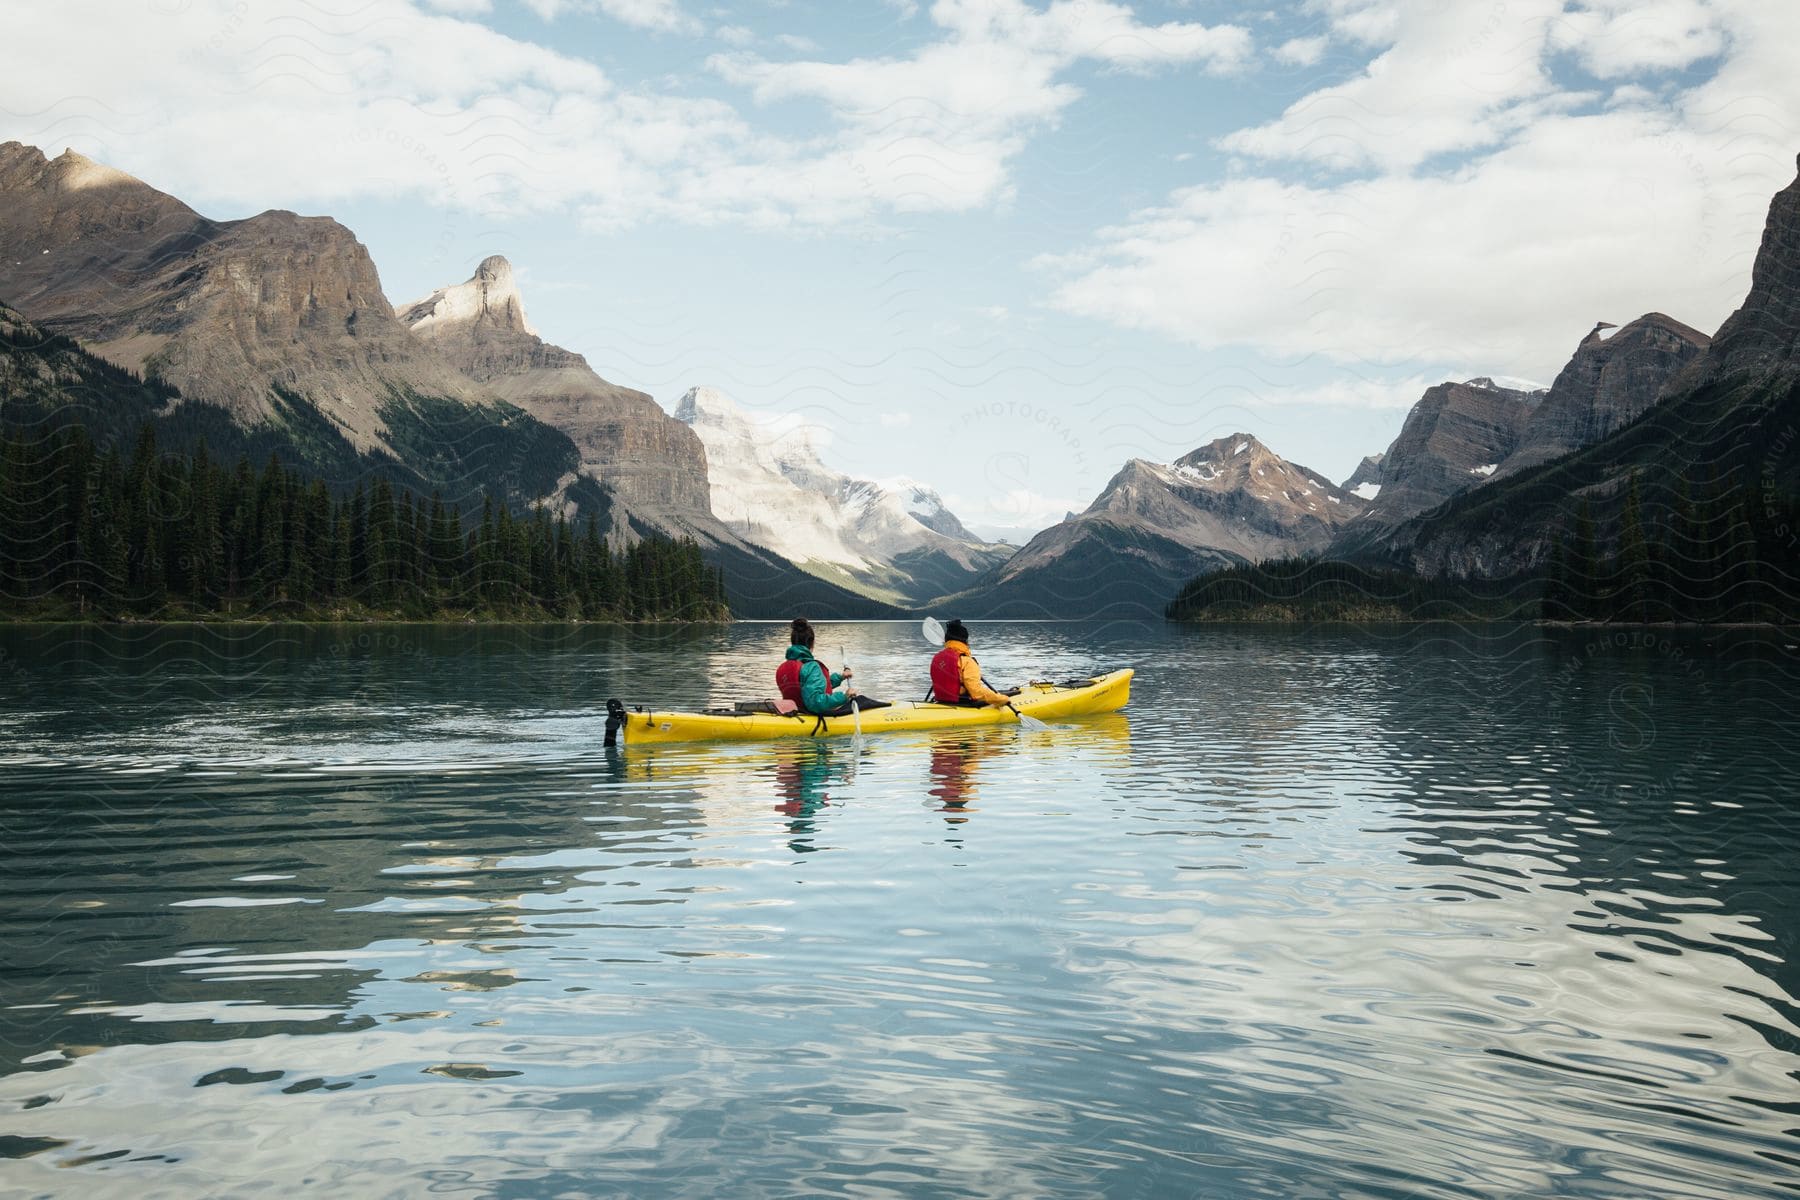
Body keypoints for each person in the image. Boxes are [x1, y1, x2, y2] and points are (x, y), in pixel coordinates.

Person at [776, 617, 884, 717]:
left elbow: (811, 687)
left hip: (797, 712)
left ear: (793, 643)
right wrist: (844, 696)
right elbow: (815, 701)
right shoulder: (811, 667)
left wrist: (841, 677)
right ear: (812, 643)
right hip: (814, 715)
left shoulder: (783, 667)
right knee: (861, 700)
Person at [929, 620, 1015, 707]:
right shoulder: (967, 661)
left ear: (947, 640)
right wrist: (1002, 699)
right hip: (962, 703)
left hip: (940, 701)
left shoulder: (937, 658)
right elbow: (976, 692)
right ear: (965, 641)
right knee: (997, 697)